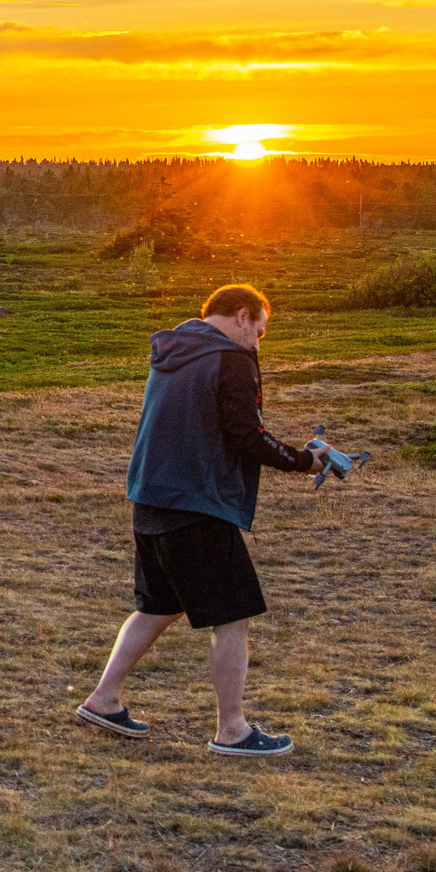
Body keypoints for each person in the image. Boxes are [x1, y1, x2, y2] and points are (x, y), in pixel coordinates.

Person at [76, 283, 334, 757]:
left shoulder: (174, 350)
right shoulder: (231, 359)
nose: (258, 343)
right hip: (197, 504)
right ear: (241, 317)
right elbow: (246, 433)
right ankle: (232, 731)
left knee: (159, 606)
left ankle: (103, 699)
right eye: (259, 331)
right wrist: (304, 461)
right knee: (232, 616)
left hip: (151, 498)